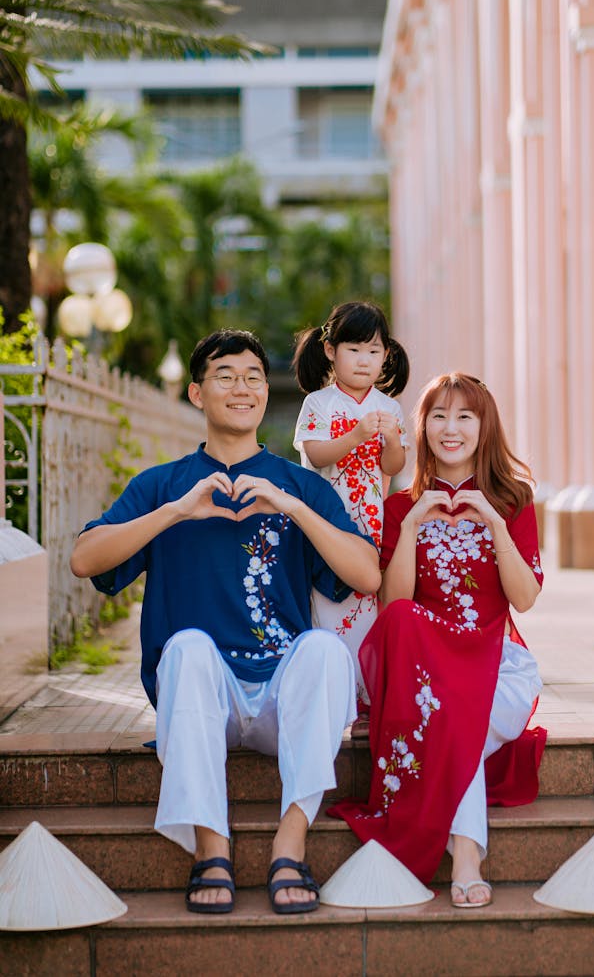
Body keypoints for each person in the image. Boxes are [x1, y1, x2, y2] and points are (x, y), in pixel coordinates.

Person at [70, 329, 380, 916]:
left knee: (324, 651)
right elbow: (85, 558)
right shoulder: (163, 484)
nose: (242, 387)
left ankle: (290, 845)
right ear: (196, 393)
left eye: (253, 377)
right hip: (198, 695)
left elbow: (366, 575)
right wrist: (177, 511)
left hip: (279, 699)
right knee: (186, 646)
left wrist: (291, 507)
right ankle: (212, 848)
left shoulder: (299, 485)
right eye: (225, 376)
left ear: (266, 392)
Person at [329, 372, 546, 908]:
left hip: (497, 667)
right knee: (421, 654)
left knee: (457, 713)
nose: (451, 429)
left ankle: (460, 849)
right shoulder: (401, 507)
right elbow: (393, 604)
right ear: (421, 428)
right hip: (430, 678)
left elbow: (525, 599)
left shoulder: (513, 500)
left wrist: (495, 524)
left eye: (465, 416)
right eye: (439, 416)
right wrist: (410, 528)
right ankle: (467, 857)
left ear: (484, 426)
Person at [292, 301, 409, 705]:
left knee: (367, 604)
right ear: (330, 351)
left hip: (371, 526)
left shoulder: (389, 407)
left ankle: (366, 697)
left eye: (374, 351)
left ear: (386, 356)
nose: (364, 361)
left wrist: (392, 440)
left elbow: (393, 466)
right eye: (354, 349)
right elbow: (316, 455)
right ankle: (330, 697)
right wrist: (357, 436)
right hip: (326, 523)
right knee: (327, 601)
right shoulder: (318, 404)